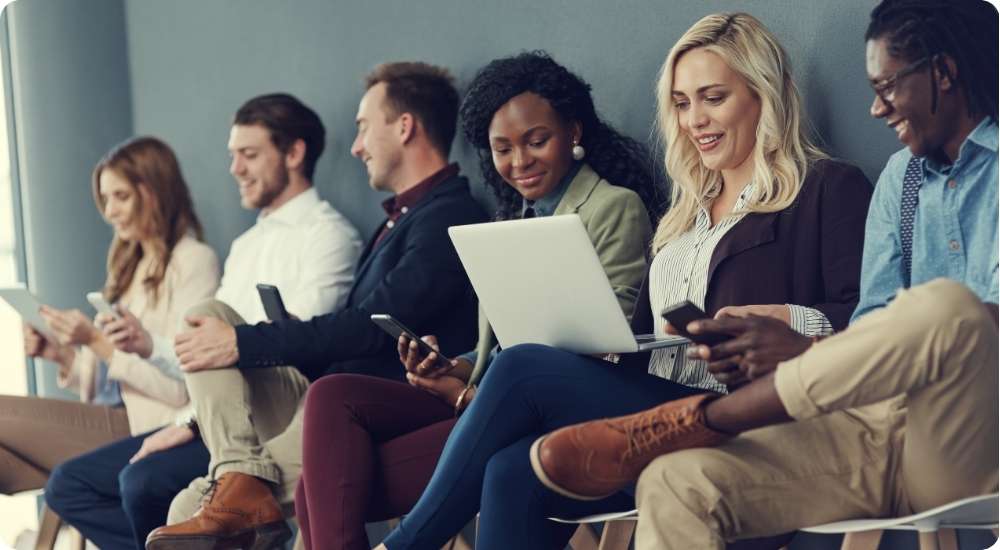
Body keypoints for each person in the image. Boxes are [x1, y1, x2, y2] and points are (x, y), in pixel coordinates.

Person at [376, 12, 874, 550]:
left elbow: (873, 322)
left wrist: (786, 319)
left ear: (766, 95)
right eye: (682, 104)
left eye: (713, 98)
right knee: (510, 469)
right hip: (659, 413)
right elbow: (638, 339)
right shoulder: (682, 218)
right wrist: (606, 347)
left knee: (520, 367)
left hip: (747, 417)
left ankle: (404, 545)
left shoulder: (826, 188)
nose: (695, 120)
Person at [533, 3, 999, 549]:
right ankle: (691, 427)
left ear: (943, 74)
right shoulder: (904, 179)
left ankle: (708, 416)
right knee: (676, 481)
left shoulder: (834, 187)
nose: (875, 108)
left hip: (970, 440)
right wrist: (801, 347)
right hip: (873, 436)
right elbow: (870, 325)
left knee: (947, 309)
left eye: (889, 86)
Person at [293, 51, 660, 550]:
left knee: (322, 486)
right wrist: (453, 366)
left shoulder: (613, 206)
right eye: (502, 149)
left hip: (543, 405)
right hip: (485, 397)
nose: (519, 162)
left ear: (573, 132)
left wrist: (468, 393)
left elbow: (609, 330)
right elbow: (500, 347)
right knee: (330, 398)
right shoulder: (509, 223)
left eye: (536, 141)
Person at [145, 62, 487, 550]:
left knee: (185, 507)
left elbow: (372, 329)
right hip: (324, 393)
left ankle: (241, 489)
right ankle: (239, 475)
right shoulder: (403, 219)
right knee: (206, 317)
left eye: (364, 127)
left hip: (369, 405)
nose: (355, 146)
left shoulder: (450, 215)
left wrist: (244, 342)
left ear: (405, 126)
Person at [45, 93, 362, 550]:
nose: (234, 168)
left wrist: (187, 419)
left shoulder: (328, 236)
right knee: (117, 481)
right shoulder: (246, 246)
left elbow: (298, 345)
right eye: (233, 156)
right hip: (217, 414)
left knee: (143, 481)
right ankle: (235, 497)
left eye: (249, 155)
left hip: (277, 412)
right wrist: (182, 407)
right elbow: (205, 353)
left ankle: (242, 485)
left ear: (293, 154)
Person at [4, 136, 219, 539]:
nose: (109, 212)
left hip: (148, 428)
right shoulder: (129, 266)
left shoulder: (193, 262)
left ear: (154, 192)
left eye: (120, 196)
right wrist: (60, 355)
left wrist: (97, 342)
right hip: (116, 417)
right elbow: (109, 382)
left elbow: (178, 385)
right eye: (105, 199)